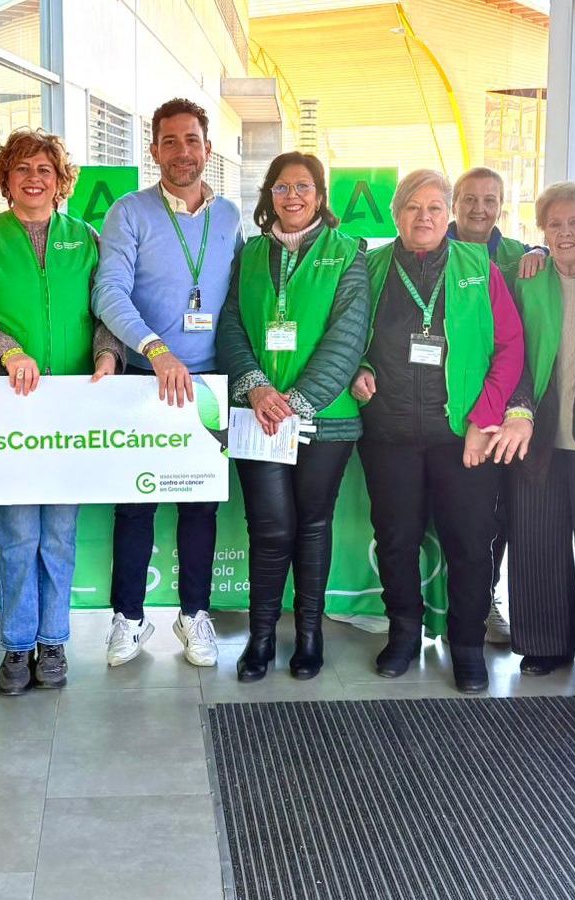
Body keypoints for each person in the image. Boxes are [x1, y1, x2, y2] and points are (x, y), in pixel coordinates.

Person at [0, 129, 122, 695]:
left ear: (61, 180)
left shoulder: (86, 237)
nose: (34, 178)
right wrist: (6, 353)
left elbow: (108, 309)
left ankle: (54, 641)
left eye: (45, 168)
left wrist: (108, 353)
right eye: (22, 168)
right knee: (17, 532)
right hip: (9, 409)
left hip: (71, 410)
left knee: (59, 535)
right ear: (6, 178)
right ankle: (17, 645)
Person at [351, 169, 524, 693]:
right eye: (412, 207)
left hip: (464, 438)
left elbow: (510, 348)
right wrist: (360, 368)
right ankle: (404, 633)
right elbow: (347, 334)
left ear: (448, 215)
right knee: (396, 540)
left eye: (433, 208)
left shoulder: (478, 267)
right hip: (389, 435)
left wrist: (483, 420)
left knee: (469, 543)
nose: (423, 217)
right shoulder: (371, 267)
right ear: (396, 214)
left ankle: (467, 644)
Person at [92, 99, 244, 668]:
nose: (183, 151)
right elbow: (108, 292)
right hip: (144, 377)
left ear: (208, 149)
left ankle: (194, 614)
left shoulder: (229, 217)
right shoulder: (129, 212)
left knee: (200, 508)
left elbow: (240, 298)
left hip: (210, 385)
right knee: (136, 505)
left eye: (192, 140)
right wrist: (155, 349)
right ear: (154, 150)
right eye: (171, 141)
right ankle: (128, 617)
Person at [216, 151, 369, 682]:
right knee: (269, 527)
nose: (292, 196)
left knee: (312, 525)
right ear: (270, 196)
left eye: (303, 187)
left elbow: (348, 337)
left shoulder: (348, 252)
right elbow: (230, 325)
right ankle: (260, 638)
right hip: (257, 416)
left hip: (326, 420)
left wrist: (297, 404)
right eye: (281, 187)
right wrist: (257, 389)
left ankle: (308, 636)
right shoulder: (251, 254)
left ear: (320, 196)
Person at [486, 181, 575, 688]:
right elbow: (508, 347)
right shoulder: (528, 277)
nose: (565, 232)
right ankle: (544, 645)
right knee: (536, 541)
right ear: (543, 231)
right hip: (537, 432)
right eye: (554, 224)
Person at [446, 166, 547, 647]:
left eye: (489, 200)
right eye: (469, 198)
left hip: (501, 407)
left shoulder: (518, 258)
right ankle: (436, 605)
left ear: (501, 206)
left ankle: (484, 600)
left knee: (492, 515)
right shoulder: (433, 247)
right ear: (454, 203)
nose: (479, 208)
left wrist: (541, 250)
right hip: (441, 405)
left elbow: (516, 339)